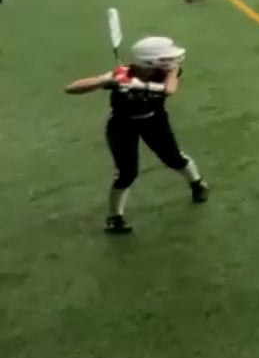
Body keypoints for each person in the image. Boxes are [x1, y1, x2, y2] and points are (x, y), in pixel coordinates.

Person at [65, 36, 209, 234]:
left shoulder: (170, 70)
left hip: (154, 120)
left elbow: (170, 89)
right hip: (122, 125)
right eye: (165, 59)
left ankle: (197, 184)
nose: (171, 62)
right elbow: (71, 88)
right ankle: (115, 217)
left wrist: (137, 85)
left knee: (173, 158)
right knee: (127, 173)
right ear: (148, 61)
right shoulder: (121, 74)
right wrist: (108, 81)